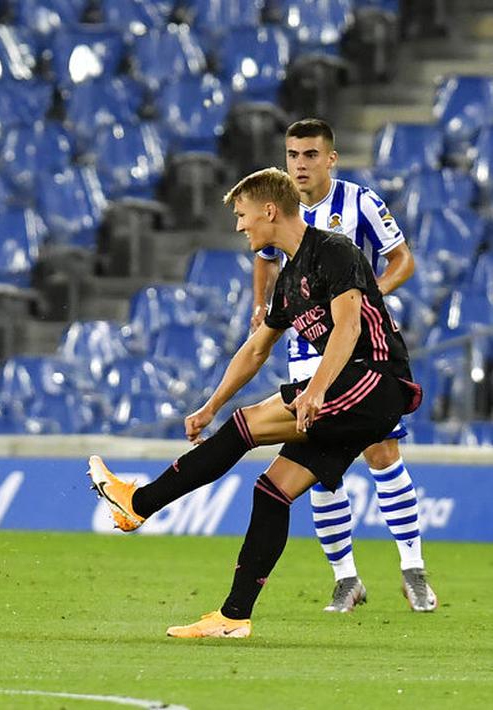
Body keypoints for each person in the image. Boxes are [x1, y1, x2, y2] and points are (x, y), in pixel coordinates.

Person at [88, 167, 423, 639]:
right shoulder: (288, 281)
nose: (239, 226)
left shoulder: (334, 250)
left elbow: (348, 328)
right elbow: (256, 349)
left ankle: (137, 503)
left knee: (246, 426)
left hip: (374, 381)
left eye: (243, 215)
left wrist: (316, 390)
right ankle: (233, 617)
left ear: (269, 210)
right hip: (350, 394)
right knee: (272, 491)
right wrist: (210, 406)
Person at [250, 119, 436, 613]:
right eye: (292, 155)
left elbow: (402, 260)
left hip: (362, 349)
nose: (300, 164)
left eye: (310, 155)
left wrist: (369, 296)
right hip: (308, 350)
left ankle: (413, 569)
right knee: (318, 466)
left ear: (331, 158)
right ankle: (345, 579)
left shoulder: (361, 203)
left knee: (381, 451)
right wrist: (261, 308)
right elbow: (266, 258)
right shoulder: (280, 209)